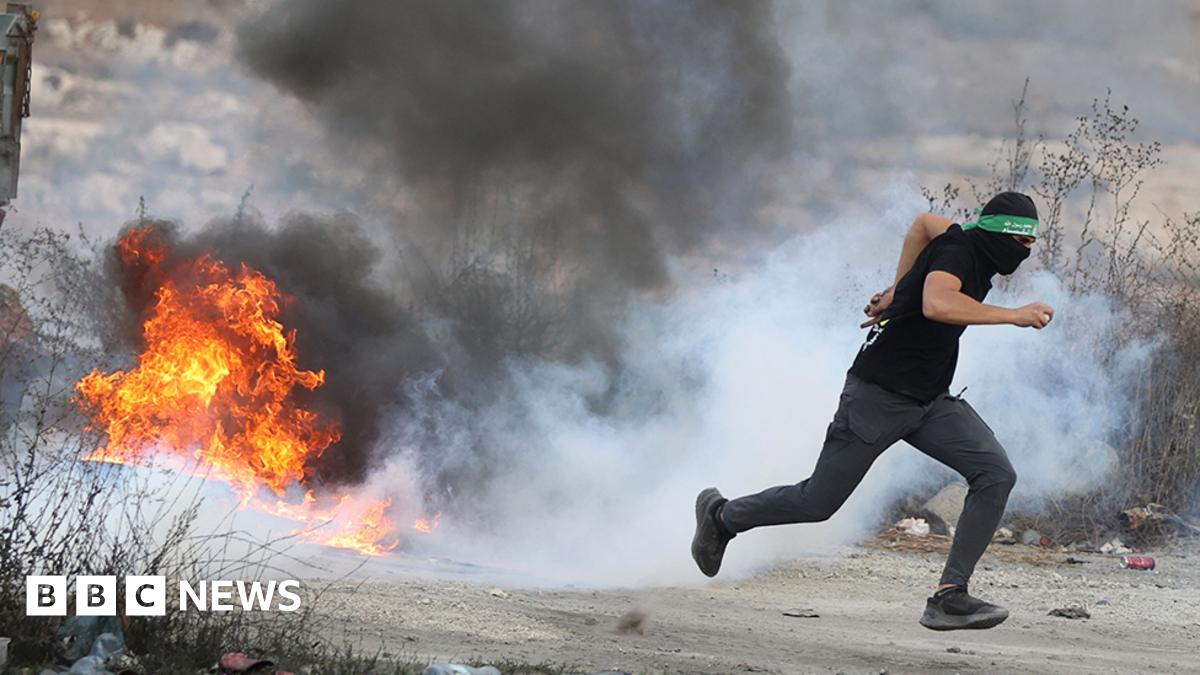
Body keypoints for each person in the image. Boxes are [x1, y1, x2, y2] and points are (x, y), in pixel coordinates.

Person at [691, 192, 1055, 631]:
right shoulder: (959, 251)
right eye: (1023, 242)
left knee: (996, 473)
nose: (1027, 251)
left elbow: (922, 223)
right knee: (817, 501)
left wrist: (895, 291)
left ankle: (949, 597)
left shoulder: (958, 235)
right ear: (1000, 235)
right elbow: (937, 304)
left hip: (930, 400)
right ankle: (723, 516)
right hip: (876, 397)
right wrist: (1013, 315)